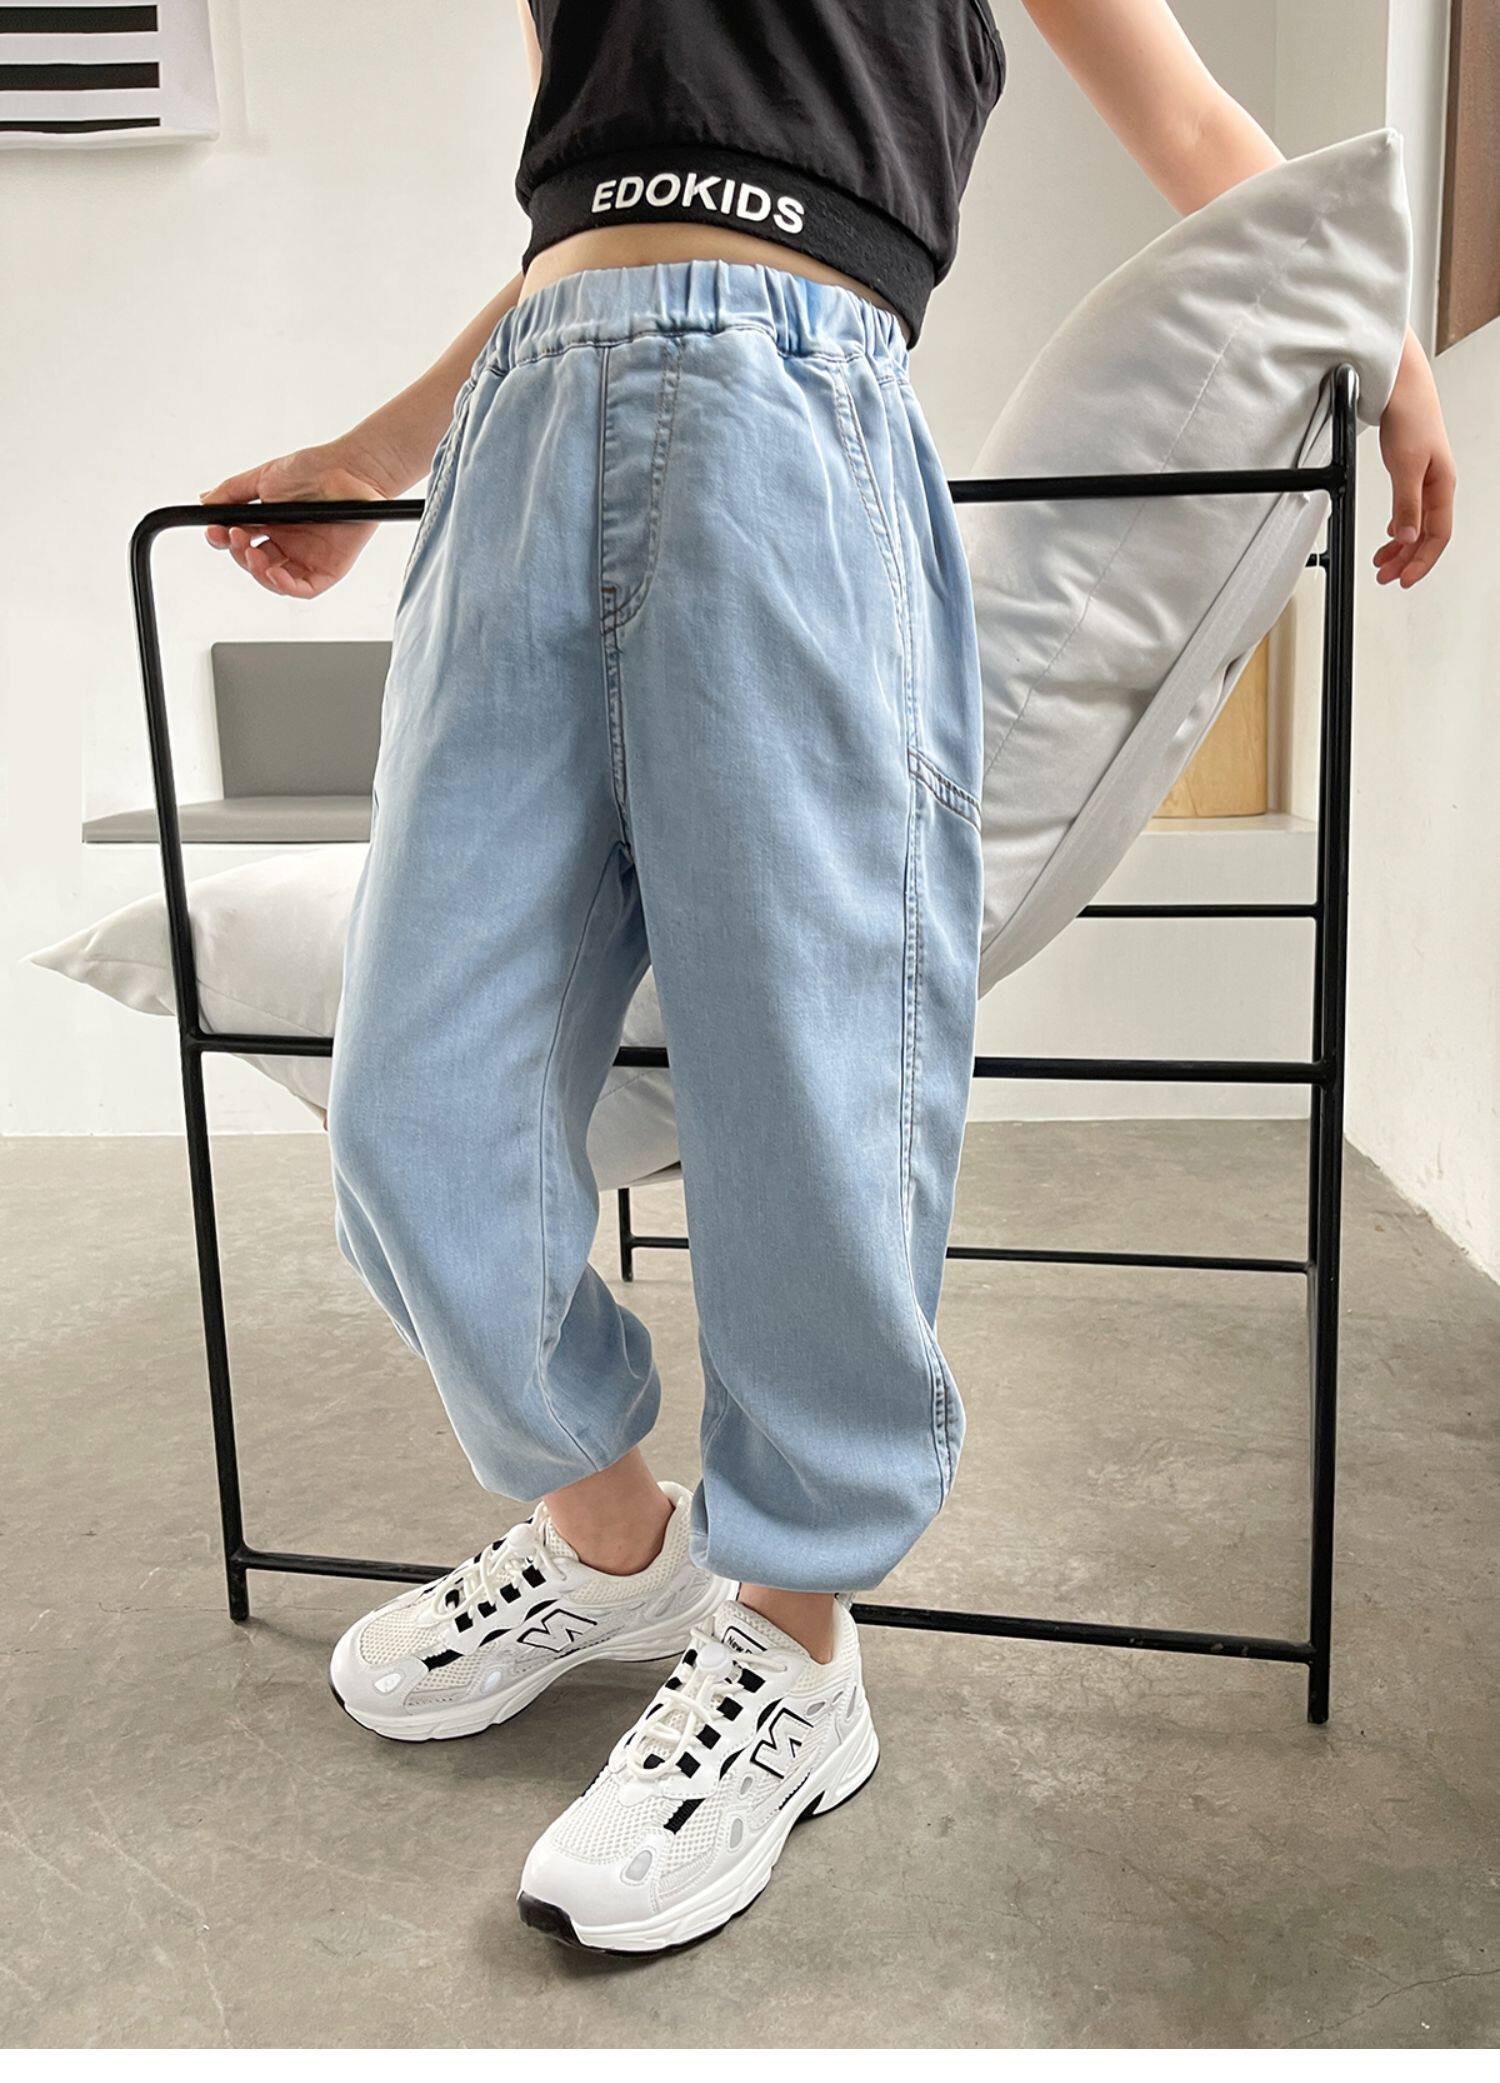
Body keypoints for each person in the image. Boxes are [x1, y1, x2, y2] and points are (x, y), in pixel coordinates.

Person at [202, 0, 1455, 1955]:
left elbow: (1196, 114)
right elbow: (581, 231)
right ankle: (616, 1548)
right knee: (414, 1107)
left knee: (810, 1087)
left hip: (797, 421)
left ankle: (794, 1645)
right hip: (525, 433)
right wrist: (378, 452)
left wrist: (1395, 352)